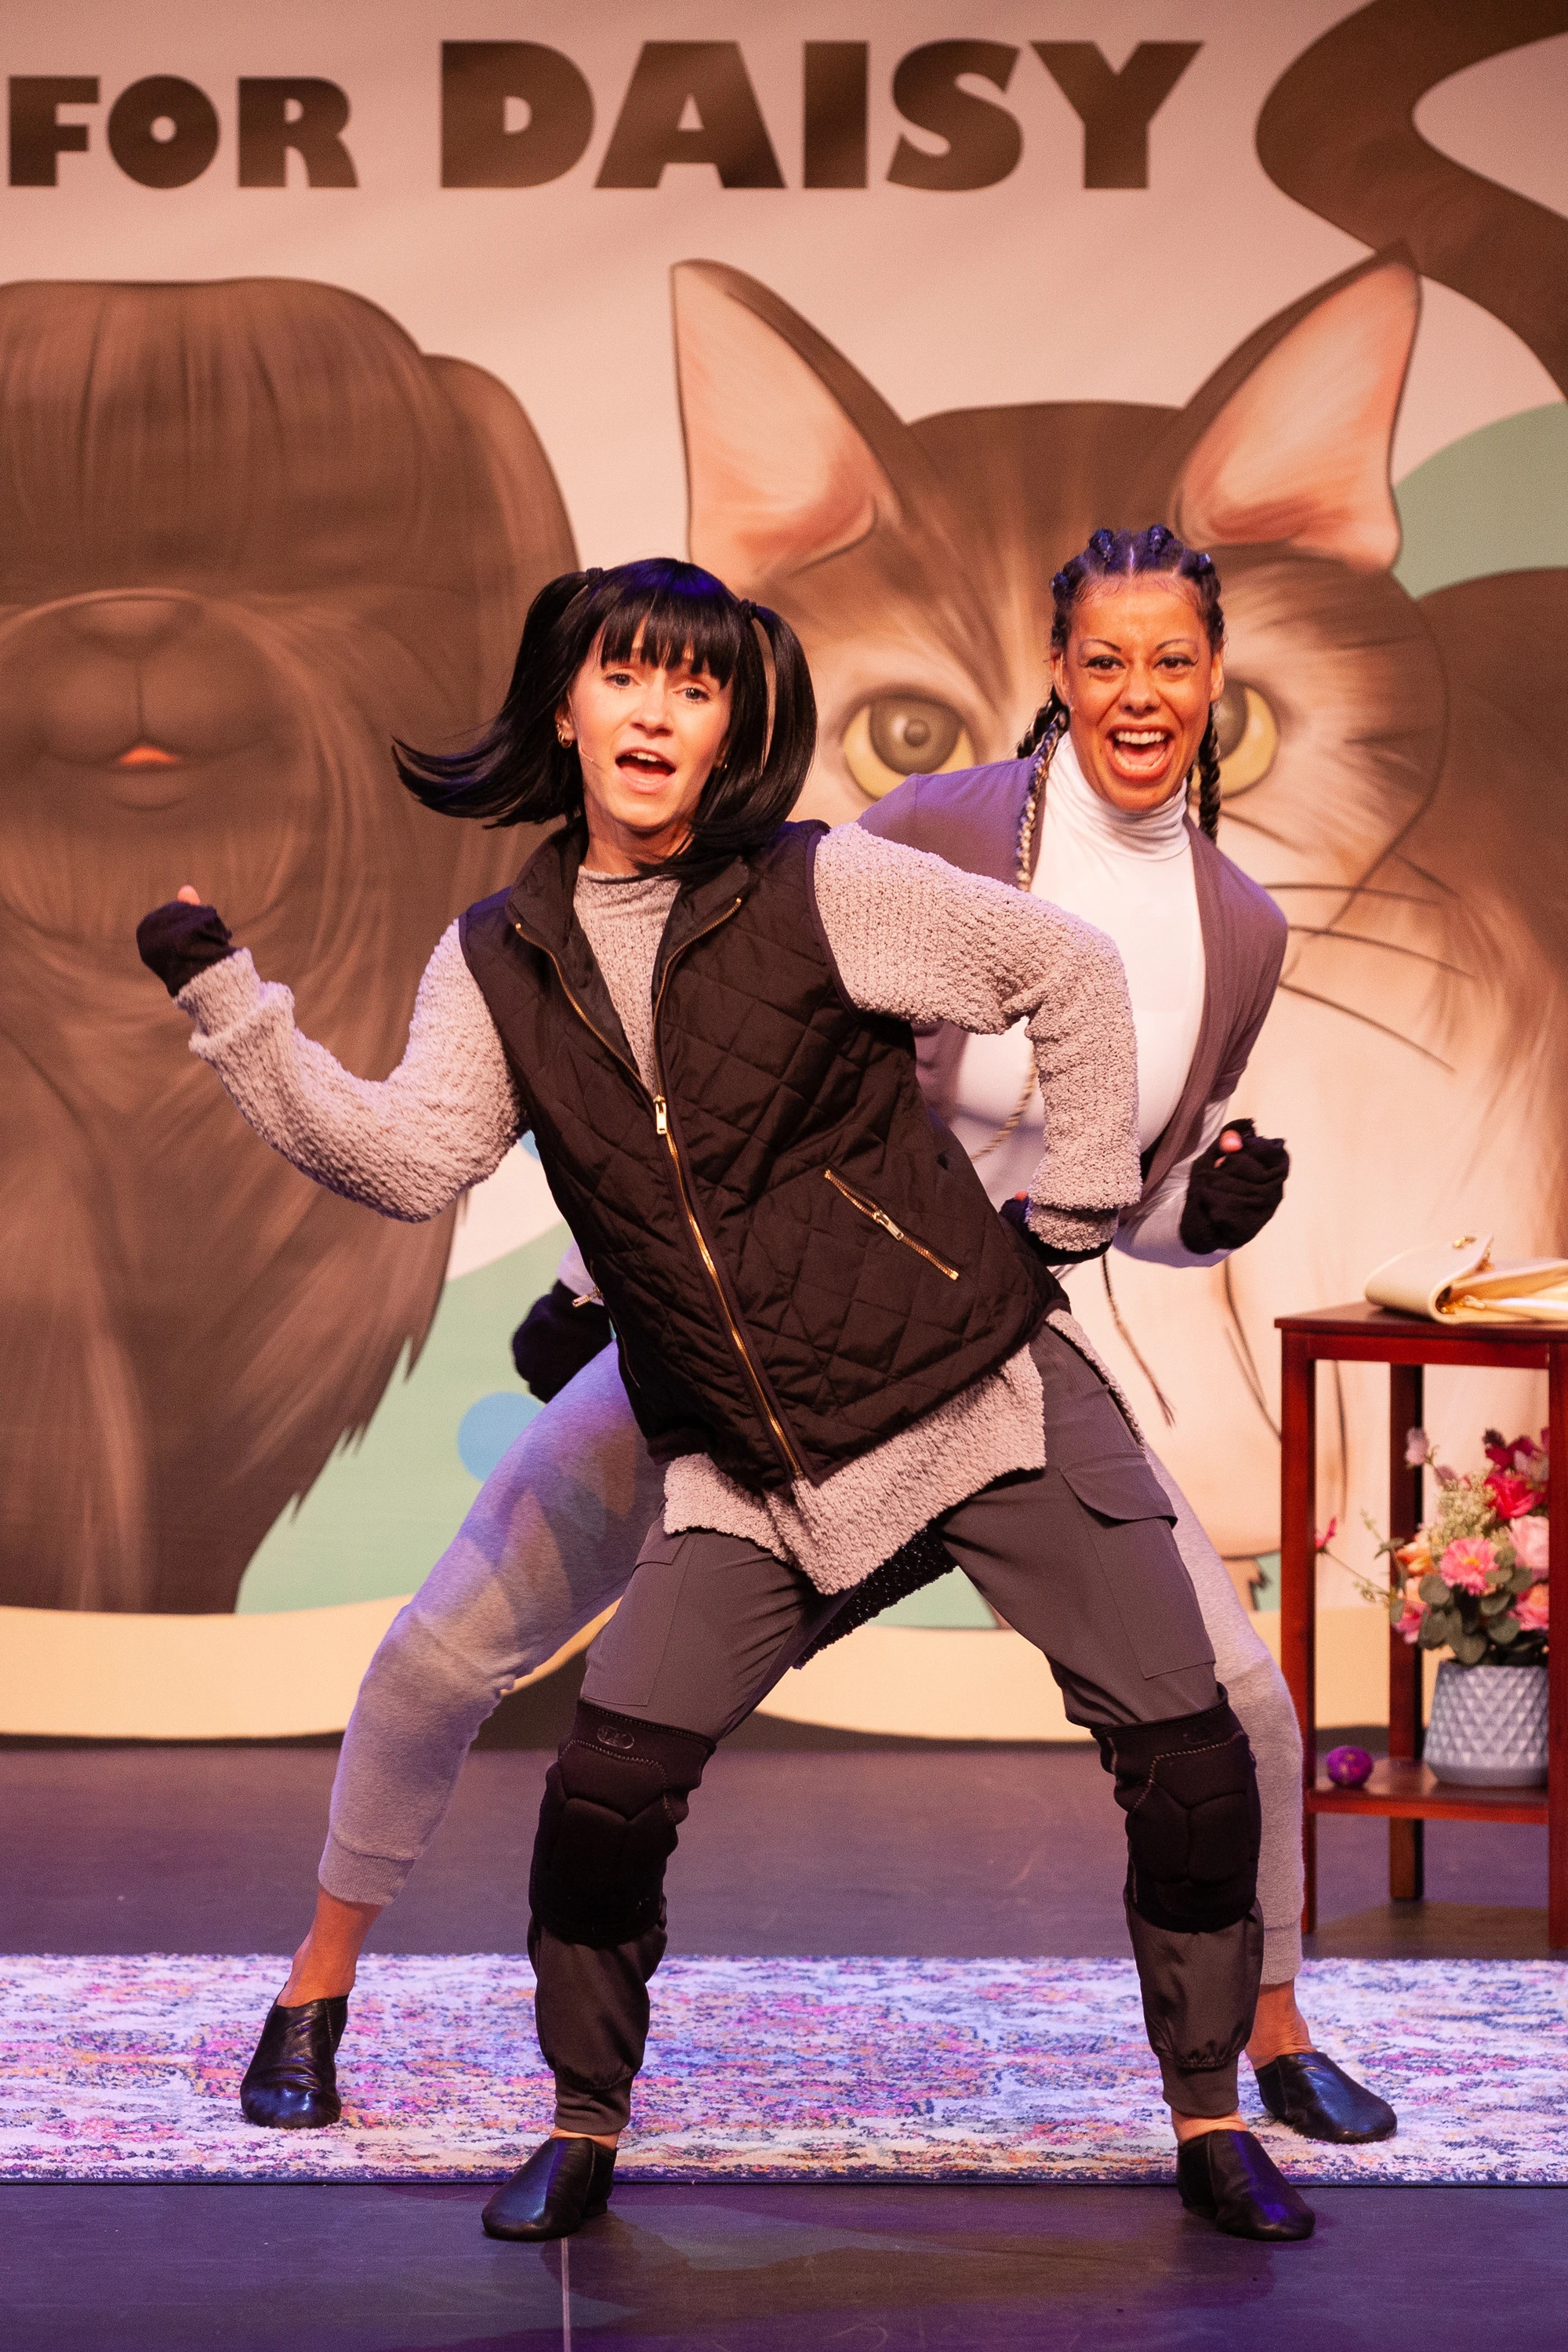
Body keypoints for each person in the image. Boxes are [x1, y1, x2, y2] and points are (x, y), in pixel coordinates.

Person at [139, 556, 1308, 2245]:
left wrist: (1072, 1210)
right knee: (597, 1787)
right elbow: (407, 1161)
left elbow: (1068, 980)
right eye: (627, 678)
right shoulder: (500, 959)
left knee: (1196, 1744)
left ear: (729, 727)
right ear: (567, 705)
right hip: (741, 1448)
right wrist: (229, 1006)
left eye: (694, 688)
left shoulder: (831, 885)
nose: (657, 711)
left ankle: (1217, 2109)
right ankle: (552, 2109)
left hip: (967, 1385)